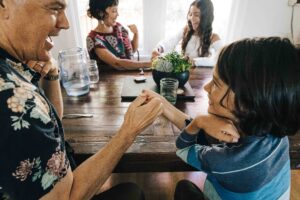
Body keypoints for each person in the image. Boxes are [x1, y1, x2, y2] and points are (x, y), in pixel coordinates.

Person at [0, 0, 163, 199]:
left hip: (60, 175)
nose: (65, 23)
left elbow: (51, 120)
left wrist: (52, 72)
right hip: (67, 190)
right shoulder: (14, 98)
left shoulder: (13, 67)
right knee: (133, 191)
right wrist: (129, 130)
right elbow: (66, 197)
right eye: (54, 8)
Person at [144, 37, 300, 199]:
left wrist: (199, 122)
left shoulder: (225, 162)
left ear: (248, 102)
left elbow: (183, 148)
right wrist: (161, 102)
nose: (206, 87)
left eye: (216, 83)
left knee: (183, 187)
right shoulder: (275, 133)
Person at [152, 0, 222, 67]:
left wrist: (193, 61)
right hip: (185, 74)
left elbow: (219, 59)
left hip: (201, 77)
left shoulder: (214, 38)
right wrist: (159, 48)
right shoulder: (186, 30)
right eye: (190, 14)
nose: (192, 18)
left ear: (206, 17)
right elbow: (171, 40)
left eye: (196, 15)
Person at [86, 0, 151, 71]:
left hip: (129, 76)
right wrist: (149, 64)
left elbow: (131, 51)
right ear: (100, 13)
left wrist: (136, 33)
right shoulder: (93, 39)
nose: (117, 14)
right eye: (114, 11)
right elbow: (117, 63)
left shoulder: (119, 27)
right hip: (111, 81)